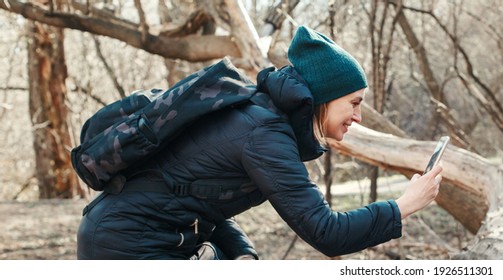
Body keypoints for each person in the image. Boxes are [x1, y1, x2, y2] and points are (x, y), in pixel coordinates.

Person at [76, 25, 444, 260]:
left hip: (124, 236)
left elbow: (192, 198)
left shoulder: (262, 118)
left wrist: (243, 255)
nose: (358, 117)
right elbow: (328, 233)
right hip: (128, 248)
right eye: (354, 103)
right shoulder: (264, 133)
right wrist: (402, 206)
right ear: (324, 97)